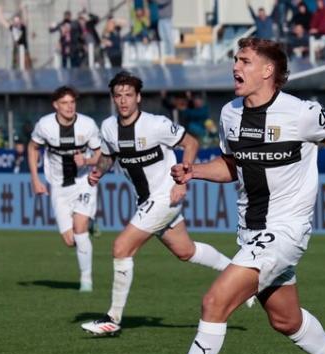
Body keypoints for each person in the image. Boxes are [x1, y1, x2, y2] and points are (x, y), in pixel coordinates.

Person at [134, 38, 325, 354]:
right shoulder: (230, 114)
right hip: (251, 233)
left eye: (244, 60)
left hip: (287, 230)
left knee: (215, 301)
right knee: (286, 320)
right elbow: (231, 165)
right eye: (235, 60)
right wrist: (196, 173)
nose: (235, 67)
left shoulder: (302, 113)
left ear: (268, 71)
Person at [80, 71, 231, 336]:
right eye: (118, 96)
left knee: (121, 247)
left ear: (138, 97)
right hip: (146, 200)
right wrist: (99, 171)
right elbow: (107, 156)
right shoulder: (108, 128)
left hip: (165, 195)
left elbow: (191, 143)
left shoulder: (156, 125)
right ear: (113, 99)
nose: (124, 100)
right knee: (186, 251)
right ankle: (239, 274)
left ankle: (112, 319)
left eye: (129, 95)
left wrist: (182, 182)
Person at [28, 86, 102, 292]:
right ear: (56, 106)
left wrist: (86, 160)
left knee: (79, 228)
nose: (69, 107)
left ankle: (86, 281)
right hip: (58, 186)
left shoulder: (87, 125)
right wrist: (35, 179)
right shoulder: (45, 125)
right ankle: (90, 225)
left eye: (72, 102)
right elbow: (32, 148)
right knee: (70, 241)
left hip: (84, 182)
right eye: (64, 103)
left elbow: (101, 156)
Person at [0, 4, 32, 70]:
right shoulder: (13, 28)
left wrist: (23, 10)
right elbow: (2, 21)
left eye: (18, 21)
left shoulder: (23, 27)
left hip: (24, 50)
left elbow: (26, 19)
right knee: (16, 67)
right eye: (15, 21)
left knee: (26, 67)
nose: (17, 23)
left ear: (20, 22)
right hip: (17, 50)